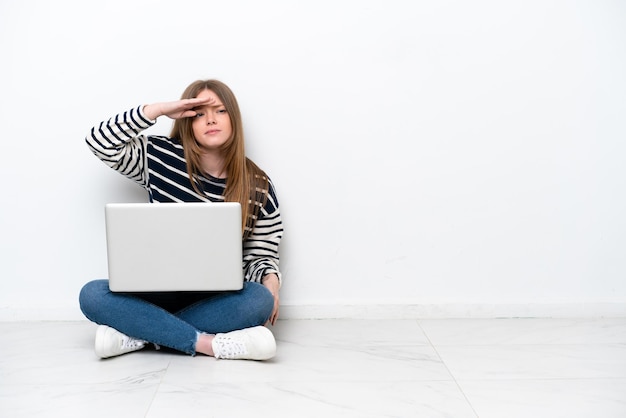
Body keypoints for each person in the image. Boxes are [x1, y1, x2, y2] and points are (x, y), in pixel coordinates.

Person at [79, 79, 283, 361]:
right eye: (199, 113)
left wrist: (271, 281)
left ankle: (138, 333)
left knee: (258, 300)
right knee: (92, 294)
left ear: (234, 118)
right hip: (153, 291)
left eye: (220, 111)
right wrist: (158, 110)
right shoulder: (158, 157)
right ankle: (208, 344)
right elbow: (100, 142)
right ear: (187, 120)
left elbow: (262, 254)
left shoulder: (258, 185)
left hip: (213, 297)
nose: (210, 119)